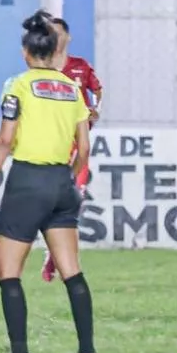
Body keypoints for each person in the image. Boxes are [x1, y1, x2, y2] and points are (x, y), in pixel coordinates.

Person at [0, 10, 97, 353]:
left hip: (27, 181)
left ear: (26, 52)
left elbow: (5, 140)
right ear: (54, 50)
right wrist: (69, 178)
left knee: (8, 273)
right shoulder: (72, 88)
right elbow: (84, 149)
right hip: (62, 182)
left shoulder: (18, 85)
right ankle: (87, 349)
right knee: (72, 271)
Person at [41, 17, 104, 282]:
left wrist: (95, 110)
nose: (56, 38)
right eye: (51, 34)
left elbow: (98, 91)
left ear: (68, 37)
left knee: (74, 200)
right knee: (49, 203)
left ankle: (61, 260)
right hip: (52, 144)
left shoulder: (81, 67)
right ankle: (53, 252)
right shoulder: (41, 69)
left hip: (78, 145)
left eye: (59, 33)